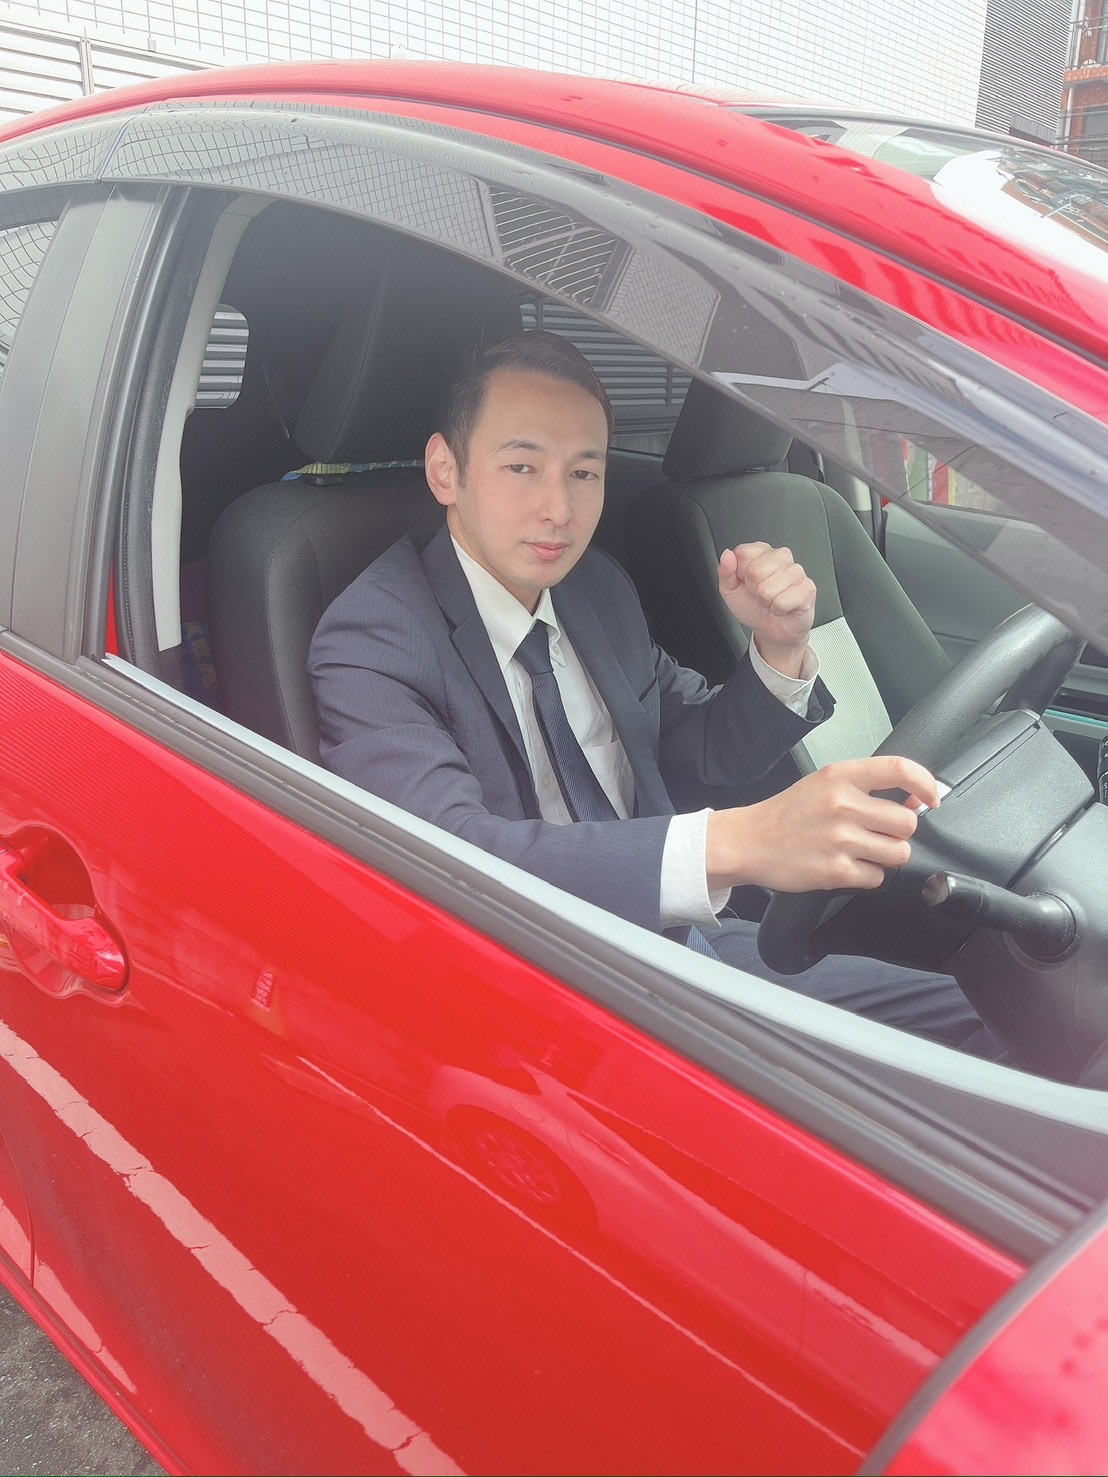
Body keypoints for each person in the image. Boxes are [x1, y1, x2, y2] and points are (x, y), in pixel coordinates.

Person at [310, 331, 992, 1051]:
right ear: (446, 471)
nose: (558, 509)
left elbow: (697, 747)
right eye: (522, 466)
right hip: (547, 998)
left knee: (997, 1014)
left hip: (683, 942)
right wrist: (741, 842)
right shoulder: (374, 638)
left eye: (584, 472)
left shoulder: (595, 589)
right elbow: (452, 864)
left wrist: (779, 646)